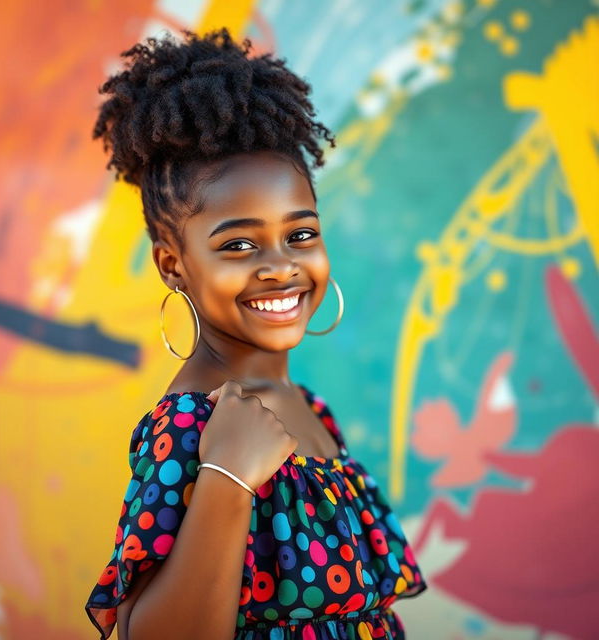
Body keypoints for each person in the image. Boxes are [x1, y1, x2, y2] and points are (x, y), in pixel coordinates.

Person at [84, 26, 427, 640]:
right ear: (174, 265)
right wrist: (229, 477)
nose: (280, 266)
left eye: (300, 235)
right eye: (239, 244)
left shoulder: (309, 408)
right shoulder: (190, 425)